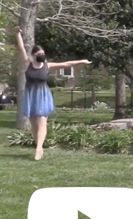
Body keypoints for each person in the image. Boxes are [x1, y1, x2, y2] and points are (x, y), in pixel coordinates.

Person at [15, 26, 92, 160]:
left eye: (43, 53)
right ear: (34, 55)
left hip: (43, 96)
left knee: (42, 121)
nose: (42, 56)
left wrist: (81, 61)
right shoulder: (28, 63)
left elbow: (66, 64)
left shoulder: (47, 65)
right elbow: (21, 48)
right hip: (31, 96)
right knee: (34, 124)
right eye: (39, 54)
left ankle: (39, 148)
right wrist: (17, 34)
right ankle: (38, 145)